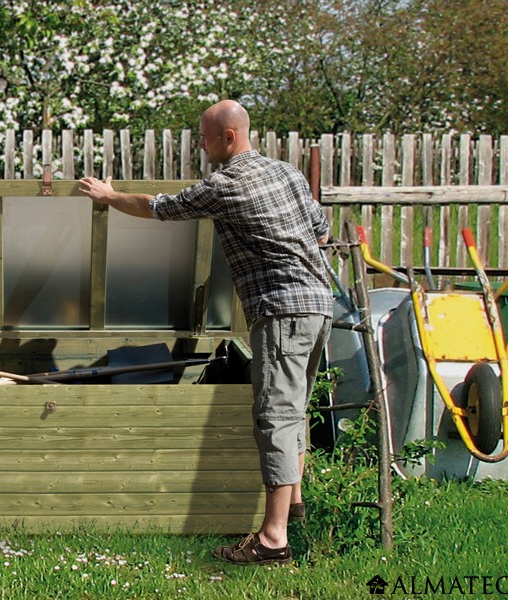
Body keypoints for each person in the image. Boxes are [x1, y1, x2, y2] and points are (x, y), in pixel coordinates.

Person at [79, 99, 333, 566]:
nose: (201, 144)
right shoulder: (288, 174)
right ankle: (294, 506)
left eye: (205, 136)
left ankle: (273, 539)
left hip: (281, 311)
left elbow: (161, 208)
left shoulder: (227, 184)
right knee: (293, 408)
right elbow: (321, 230)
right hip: (319, 305)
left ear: (228, 137)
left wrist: (109, 196)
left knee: (275, 416)